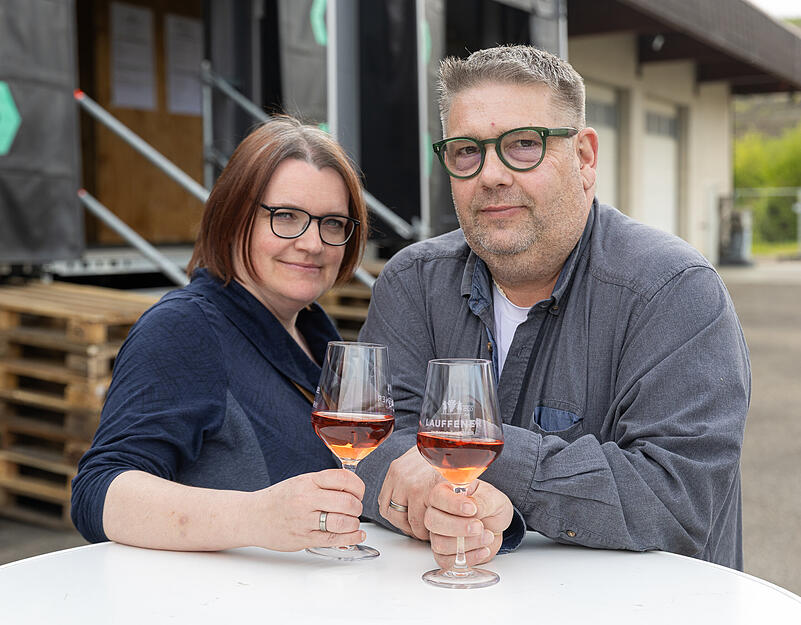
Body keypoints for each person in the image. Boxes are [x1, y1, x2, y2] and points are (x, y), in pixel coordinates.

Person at [357, 45, 750, 571]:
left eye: (524, 144)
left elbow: (675, 499)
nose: (491, 175)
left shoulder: (672, 292)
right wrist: (444, 503)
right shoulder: (412, 284)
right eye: (467, 150)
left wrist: (484, 456)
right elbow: (374, 450)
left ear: (584, 158)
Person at [71, 115, 372, 553]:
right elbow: (98, 493)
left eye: (332, 223)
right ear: (232, 218)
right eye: (286, 216)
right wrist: (258, 517)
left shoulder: (316, 334)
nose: (313, 243)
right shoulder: (184, 329)